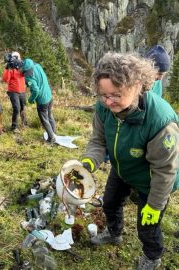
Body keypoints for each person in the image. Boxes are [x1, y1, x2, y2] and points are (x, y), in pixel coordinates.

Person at [81, 52, 179, 270]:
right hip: (123, 168)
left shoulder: (160, 121)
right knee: (110, 202)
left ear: (136, 85)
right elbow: (98, 141)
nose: (108, 101)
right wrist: (89, 162)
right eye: (103, 95)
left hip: (153, 180)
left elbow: (165, 171)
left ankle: (152, 257)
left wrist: (154, 205)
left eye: (115, 95)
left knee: (147, 225)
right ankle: (114, 233)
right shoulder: (104, 107)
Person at [22, 58, 56, 143]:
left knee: (44, 120)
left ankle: (51, 138)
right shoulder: (38, 66)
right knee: (50, 115)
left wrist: (31, 99)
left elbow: (36, 90)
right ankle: (53, 133)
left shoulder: (29, 77)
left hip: (42, 100)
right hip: (49, 95)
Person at [2, 51, 27, 133]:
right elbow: (6, 79)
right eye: (14, 57)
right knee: (17, 108)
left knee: (23, 108)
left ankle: (23, 123)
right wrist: (7, 68)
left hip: (22, 91)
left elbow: (28, 74)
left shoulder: (22, 66)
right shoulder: (10, 68)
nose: (16, 59)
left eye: (17, 57)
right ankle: (14, 127)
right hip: (13, 91)